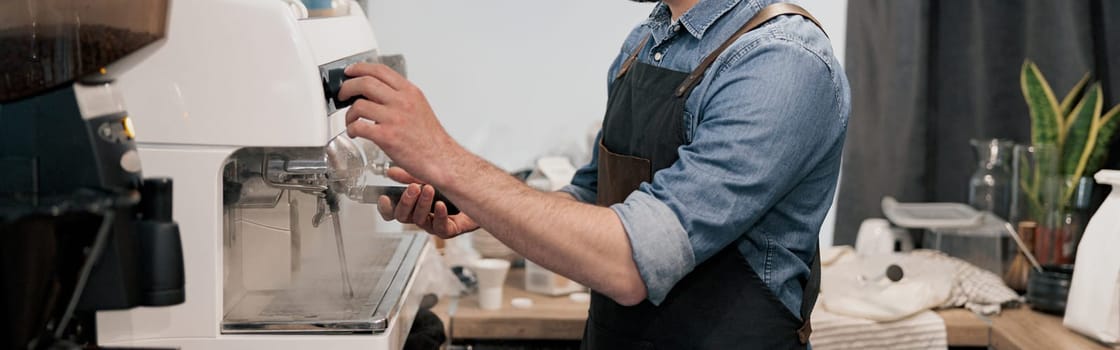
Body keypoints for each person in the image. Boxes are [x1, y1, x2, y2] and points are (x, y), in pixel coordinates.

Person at [339, 0, 849, 347]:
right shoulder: (644, 45)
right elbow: (592, 195)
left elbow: (631, 263)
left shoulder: (780, 61)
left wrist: (445, 157)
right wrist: (477, 203)